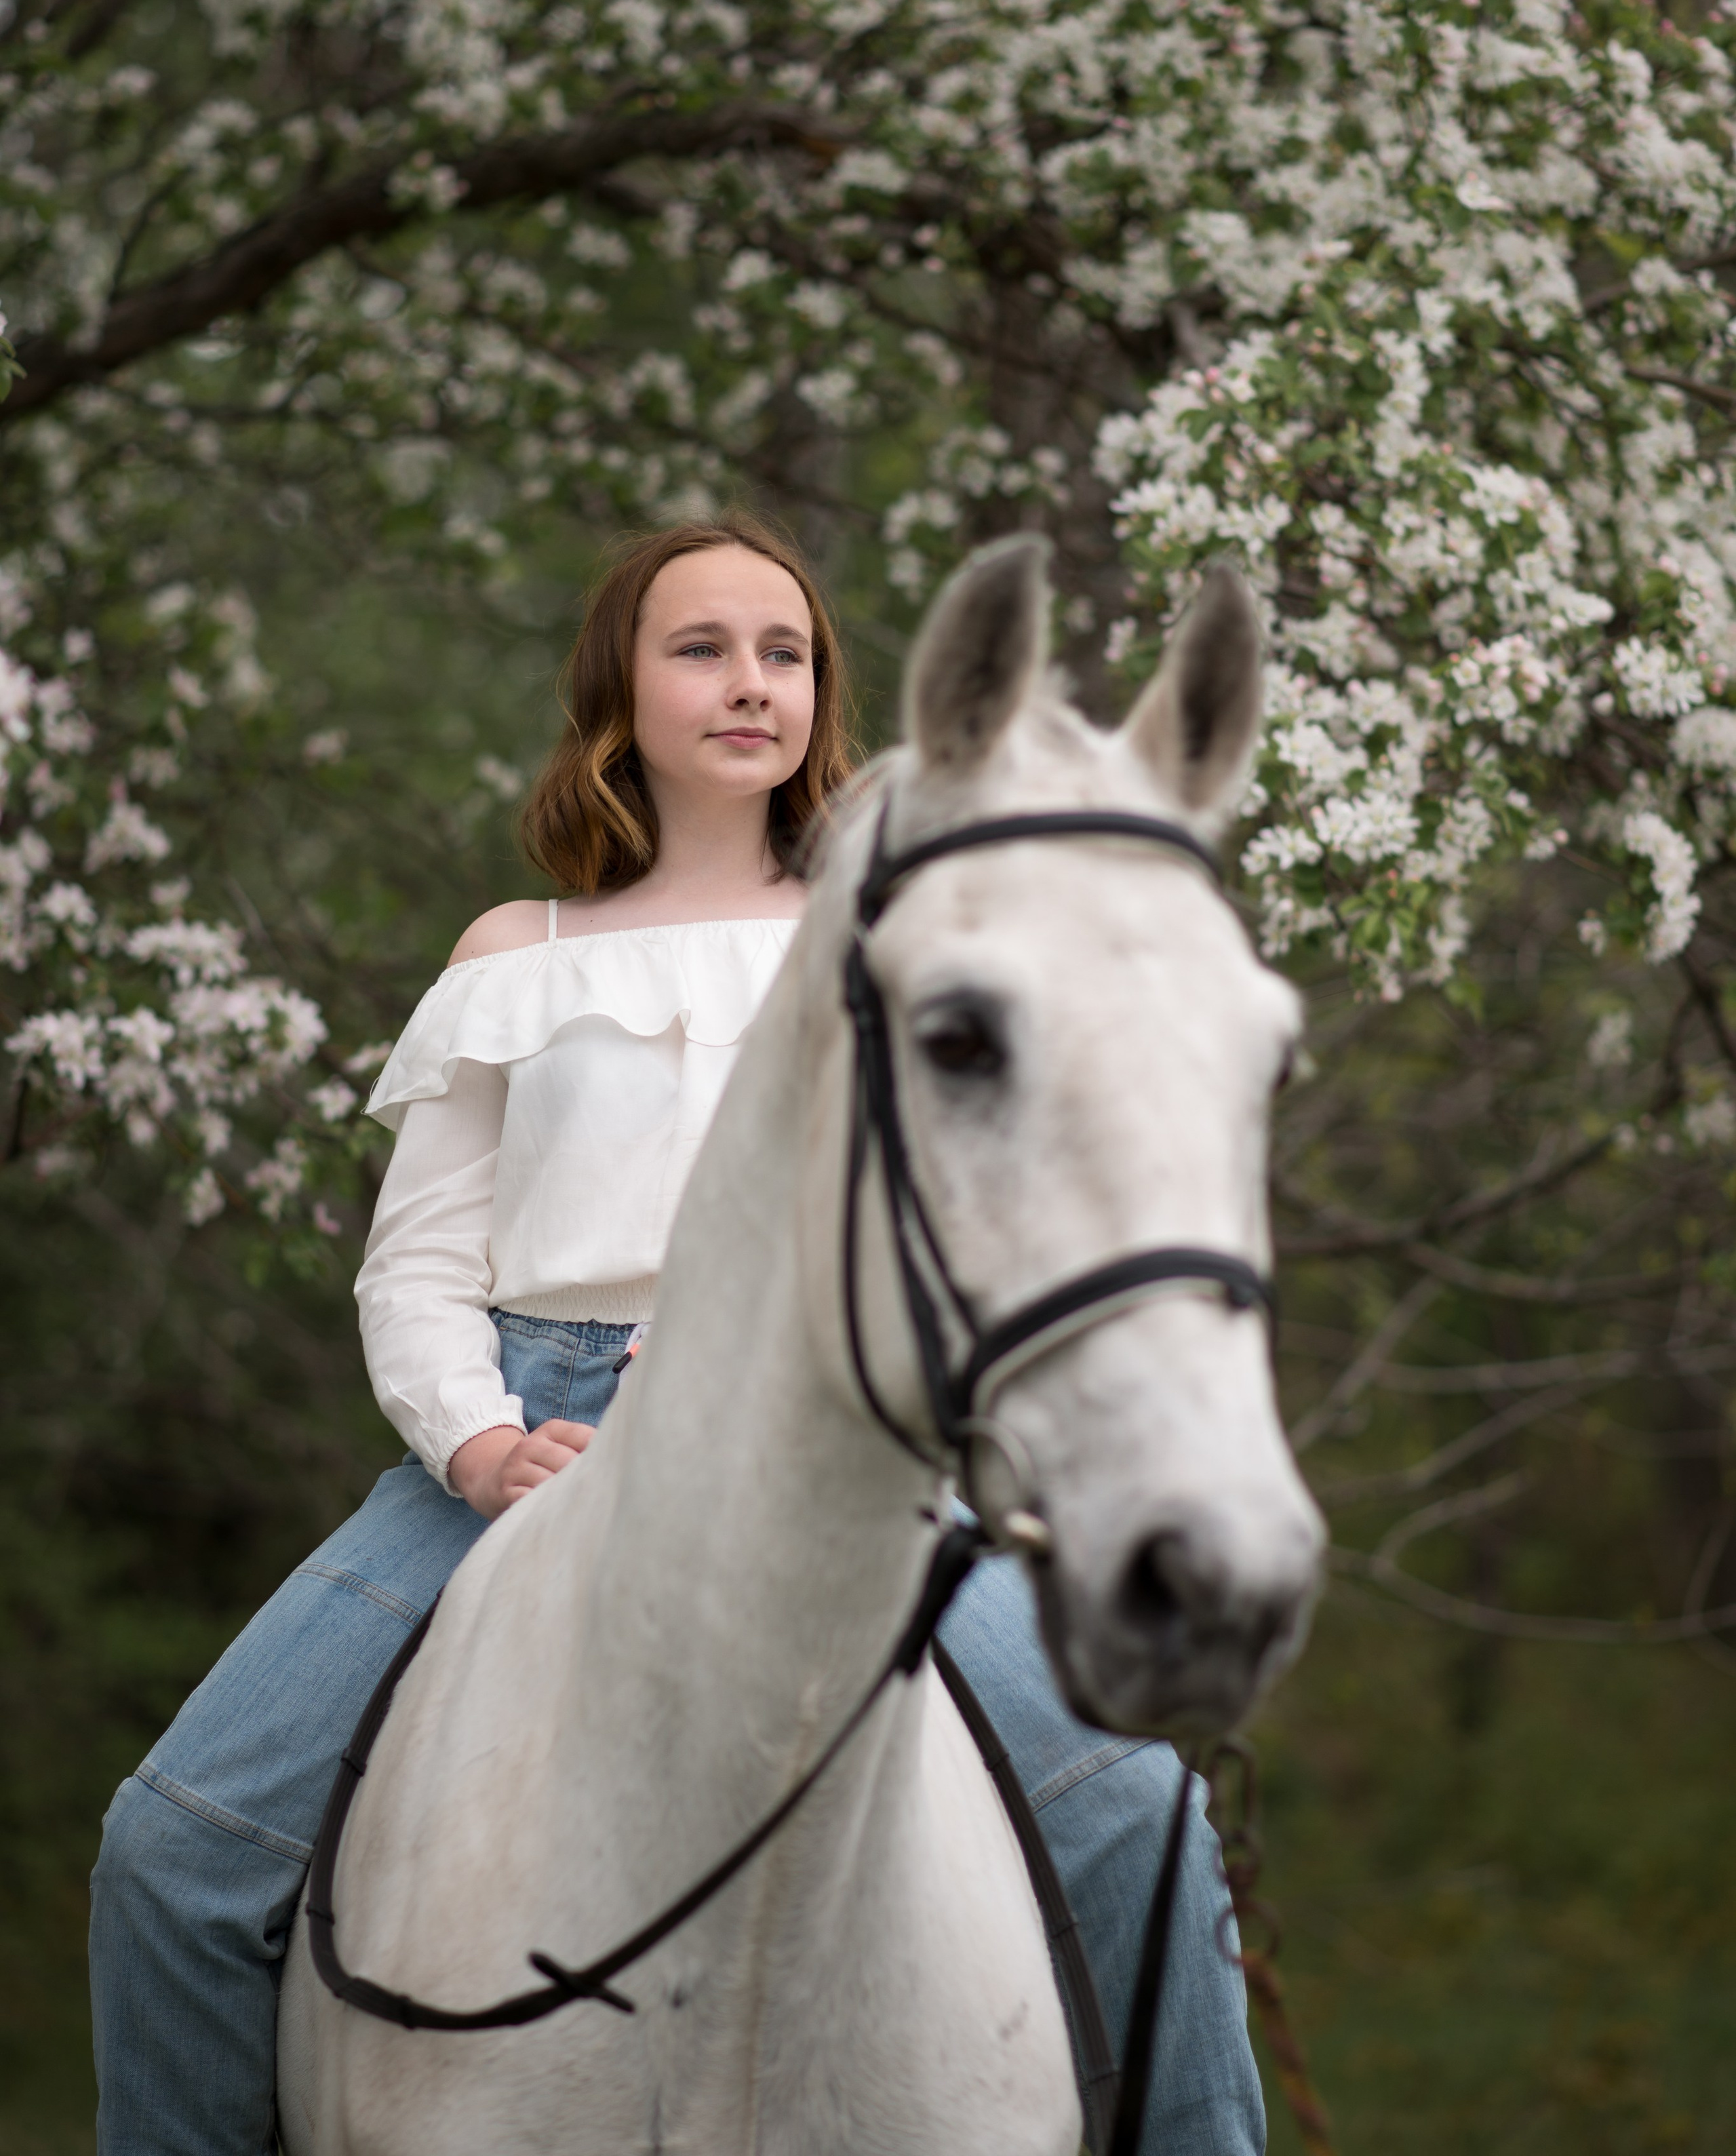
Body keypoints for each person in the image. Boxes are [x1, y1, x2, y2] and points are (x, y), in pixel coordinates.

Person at [88, 515, 1265, 2156]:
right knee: (175, 1852)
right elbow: (416, 1265)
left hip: (824, 1459)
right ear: (617, 697)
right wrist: (483, 1442)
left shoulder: (891, 944)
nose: (749, 683)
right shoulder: (515, 956)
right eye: (699, 647)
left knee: (1142, 1816)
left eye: (783, 652)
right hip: (514, 1435)